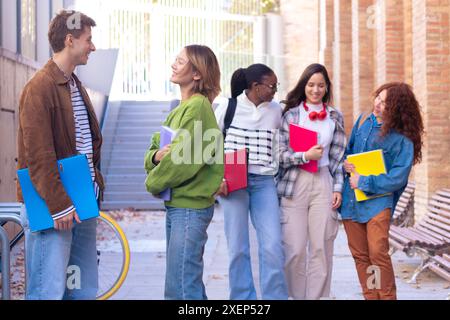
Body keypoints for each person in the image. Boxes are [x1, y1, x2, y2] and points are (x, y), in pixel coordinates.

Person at [17, 10, 102, 299]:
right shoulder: (39, 88)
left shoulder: (75, 85)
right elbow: (38, 156)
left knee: (81, 289)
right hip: (56, 208)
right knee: (47, 290)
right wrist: (60, 205)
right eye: (88, 39)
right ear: (70, 40)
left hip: (82, 203)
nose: (93, 46)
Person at [144, 45, 223, 300]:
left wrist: (151, 182)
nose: (174, 64)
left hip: (189, 208)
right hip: (178, 205)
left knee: (180, 287)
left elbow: (178, 161)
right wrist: (155, 157)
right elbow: (156, 149)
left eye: (180, 61)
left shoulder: (197, 108)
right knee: (185, 284)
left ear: (197, 73)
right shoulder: (181, 108)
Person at [340, 82, 424, 300]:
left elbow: (398, 178)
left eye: (386, 103)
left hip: (378, 203)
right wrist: (346, 164)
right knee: (361, 256)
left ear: (398, 108)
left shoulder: (402, 139)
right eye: (379, 97)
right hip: (352, 202)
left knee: (378, 253)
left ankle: (386, 297)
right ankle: (372, 296)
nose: (378, 104)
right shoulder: (362, 122)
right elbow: (348, 153)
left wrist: (365, 182)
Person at [214, 64, 288, 300]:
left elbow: (283, 144)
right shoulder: (228, 107)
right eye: (272, 86)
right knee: (237, 248)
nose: (275, 90)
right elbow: (210, 145)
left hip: (264, 182)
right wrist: (217, 178)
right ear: (255, 87)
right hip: (233, 182)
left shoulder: (276, 110)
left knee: (273, 246)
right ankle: (242, 300)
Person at [278, 63, 346, 300]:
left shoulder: (336, 116)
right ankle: (296, 296)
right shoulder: (291, 115)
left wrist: (338, 188)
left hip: (324, 181)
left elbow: (339, 158)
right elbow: (279, 155)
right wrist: (305, 156)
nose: (315, 90)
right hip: (295, 183)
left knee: (321, 248)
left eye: (320, 85)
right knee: (295, 249)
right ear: (304, 86)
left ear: (327, 88)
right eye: (311, 85)